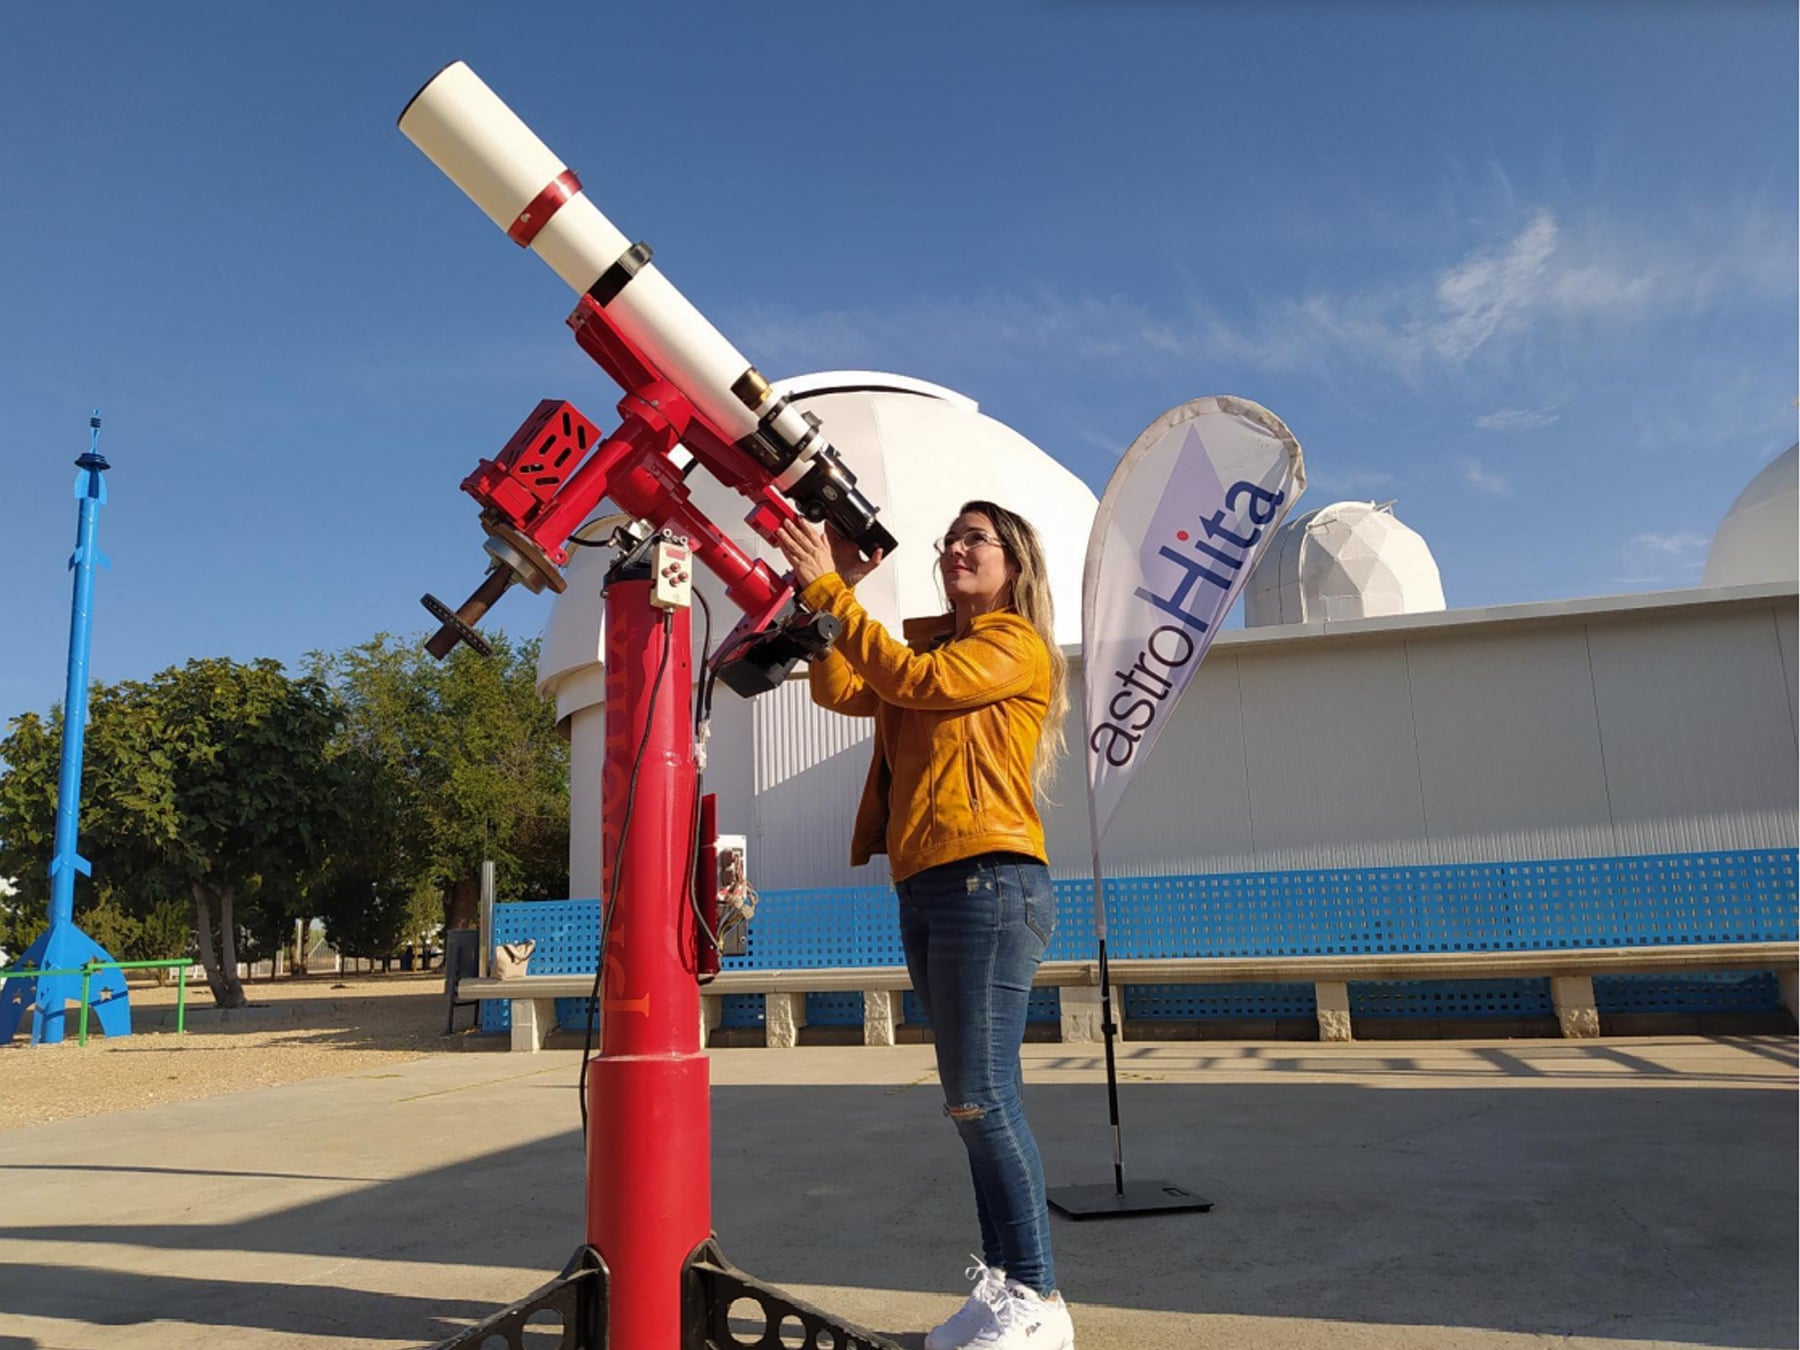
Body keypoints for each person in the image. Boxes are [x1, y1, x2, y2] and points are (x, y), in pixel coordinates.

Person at [776, 502, 1076, 1350]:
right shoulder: (929, 641)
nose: (954, 548)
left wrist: (833, 587)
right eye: (950, 538)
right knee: (968, 1102)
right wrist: (831, 600)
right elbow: (845, 687)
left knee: (985, 1098)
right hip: (931, 883)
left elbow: (914, 684)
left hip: (990, 878)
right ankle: (1004, 1290)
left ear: (1013, 560)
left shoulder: (1013, 643)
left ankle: (1038, 1303)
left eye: (974, 538)